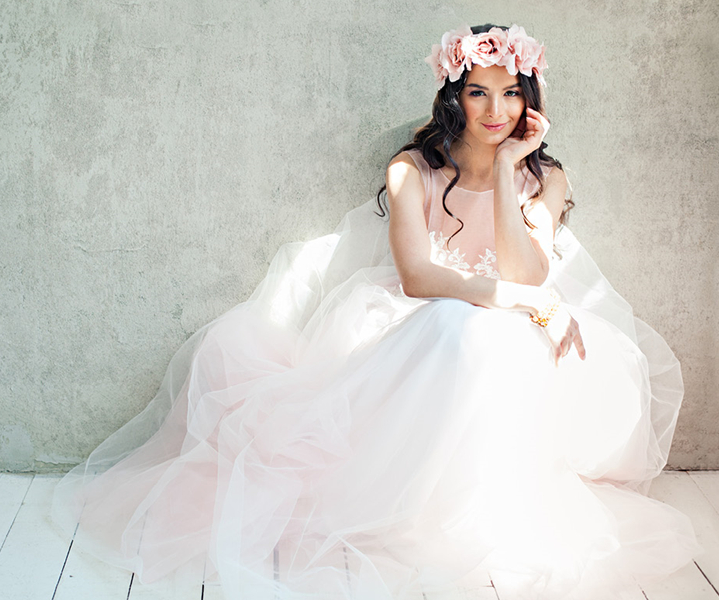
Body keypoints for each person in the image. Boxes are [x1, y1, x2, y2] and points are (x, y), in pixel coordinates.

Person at [52, 23, 701, 600]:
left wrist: (507, 171)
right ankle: (413, 502)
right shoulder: (411, 169)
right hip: (418, 320)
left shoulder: (542, 178)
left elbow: (526, 271)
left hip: (509, 326)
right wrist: (524, 301)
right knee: (459, 326)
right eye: (478, 91)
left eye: (511, 93)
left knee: (500, 342)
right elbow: (420, 279)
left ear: (529, 100)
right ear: (454, 96)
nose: (496, 109)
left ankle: (478, 505)